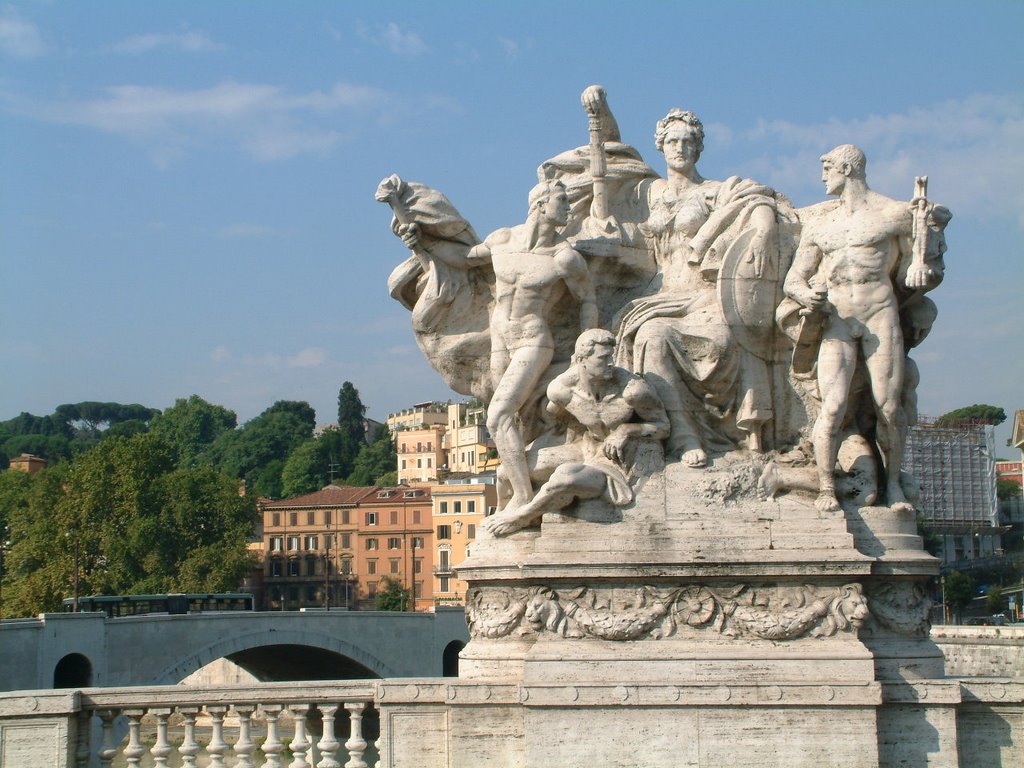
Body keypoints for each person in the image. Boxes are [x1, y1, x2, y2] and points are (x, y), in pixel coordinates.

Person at [611, 104, 782, 466]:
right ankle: (684, 438)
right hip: (660, 295)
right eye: (672, 141)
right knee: (652, 337)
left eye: (688, 142)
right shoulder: (649, 194)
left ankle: (730, 435)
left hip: (705, 295)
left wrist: (764, 229)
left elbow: (760, 198)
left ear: (699, 148)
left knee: (720, 343)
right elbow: (608, 166)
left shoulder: (716, 191)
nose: (680, 148)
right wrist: (599, 118)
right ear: (661, 146)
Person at [783, 145, 941, 513]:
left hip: (879, 316)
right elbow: (794, 278)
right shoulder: (822, 226)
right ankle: (825, 487)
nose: (823, 176)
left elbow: (919, 259)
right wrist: (808, 295)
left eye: (828, 168)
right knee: (832, 407)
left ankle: (895, 486)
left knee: (889, 407)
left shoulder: (893, 213)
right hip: (837, 320)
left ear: (849, 168)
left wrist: (918, 269)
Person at [459, 180, 599, 512]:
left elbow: (588, 300)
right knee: (516, 419)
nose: (568, 207)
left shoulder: (565, 258)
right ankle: (514, 485)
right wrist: (419, 238)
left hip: (532, 341)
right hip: (500, 340)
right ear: (539, 204)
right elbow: (462, 257)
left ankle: (523, 496)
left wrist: (583, 351)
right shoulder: (502, 240)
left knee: (498, 415)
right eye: (562, 200)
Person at [483, 329, 669, 536]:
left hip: (619, 459)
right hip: (585, 448)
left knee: (566, 478)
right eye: (603, 357)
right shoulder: (561, 391)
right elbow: (556, 422)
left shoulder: (633, 391)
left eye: (611, 356)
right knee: (506, 473)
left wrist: (626, 430)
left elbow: (663, 426)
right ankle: (500, 513)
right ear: (582, 359)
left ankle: (522, 517)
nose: (610, 362)